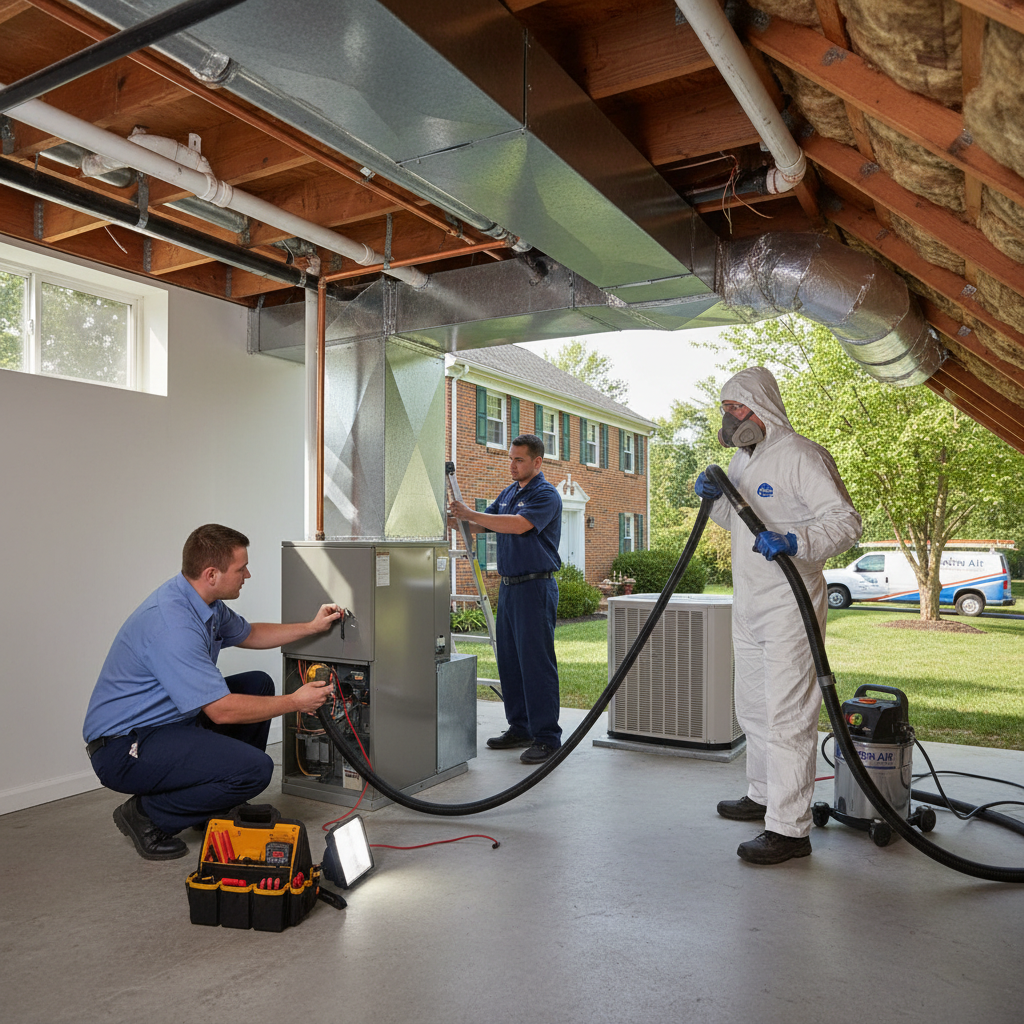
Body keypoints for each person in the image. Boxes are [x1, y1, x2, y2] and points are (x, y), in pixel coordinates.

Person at [83, 524, 343, 861]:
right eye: (240, 568)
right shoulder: (173, 625)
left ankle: (218, 801)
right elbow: (221, 711)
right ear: (211, 574)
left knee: (258, 683)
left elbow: (250, 634)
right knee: (256, 769)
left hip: (170, 723)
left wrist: (311, 627)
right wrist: (296, 702)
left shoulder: (204, 603)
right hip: (123, 746)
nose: (247, 574)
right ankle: (147, 815)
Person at [694, 367, 862, 865]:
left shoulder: (801, 456)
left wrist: (797, 542)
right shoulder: (742, 461)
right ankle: (763, 794)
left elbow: (846, 522)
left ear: (761, 407)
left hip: (791, 605)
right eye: (725, 409)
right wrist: (715, 498)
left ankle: (790, 829)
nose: (729, 419)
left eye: (737, 408)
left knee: (788, 715)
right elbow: (741, 522)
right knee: (752, 709)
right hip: (748, 603)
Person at [448, 434, 563, 764]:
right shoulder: (510, 492)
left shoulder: (546, 494)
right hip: (510, 588)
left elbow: (517, 526)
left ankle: (547, 737)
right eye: (510, 458)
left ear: (537, 462)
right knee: (510, 661)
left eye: (519, 460)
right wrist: (457, 520)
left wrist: (471, 513)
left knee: (535, 663)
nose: (512, 465)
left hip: (535, 588)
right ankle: (521, 727)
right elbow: (484, 526)